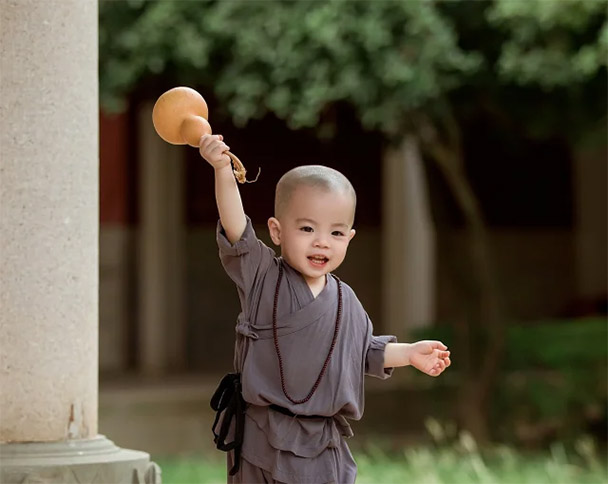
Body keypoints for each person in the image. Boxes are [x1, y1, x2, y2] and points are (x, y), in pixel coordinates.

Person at [199, 134, 451, 484]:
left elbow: (363, 352)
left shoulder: (346, 300)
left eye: (336, 232)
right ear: (276, 231)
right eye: (307, 228)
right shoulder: (263, 279)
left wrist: (409, 353)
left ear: (349, 238)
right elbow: (236, 229)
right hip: (262, 433)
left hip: (322, 443)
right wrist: (223, 170)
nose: (321, 241)